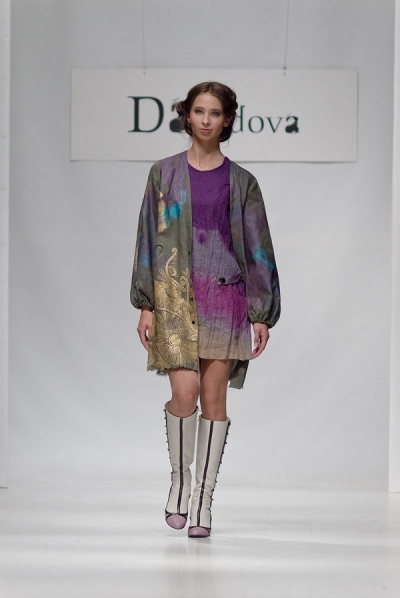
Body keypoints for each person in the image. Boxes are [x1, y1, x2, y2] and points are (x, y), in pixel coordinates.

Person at [130, 81, 281, 538]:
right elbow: (147, 237)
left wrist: (261, 312)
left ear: (227, 119)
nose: (206, 120)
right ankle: (180, 480)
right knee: (185, 393)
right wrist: (146, 303)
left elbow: (258, 248)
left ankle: (203, 499)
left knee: (214, 400)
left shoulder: (242, 182)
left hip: (224, 297)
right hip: (174, 297)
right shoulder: (163, 174)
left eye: (215, 113)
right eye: (199, 111)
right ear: (186, 115)